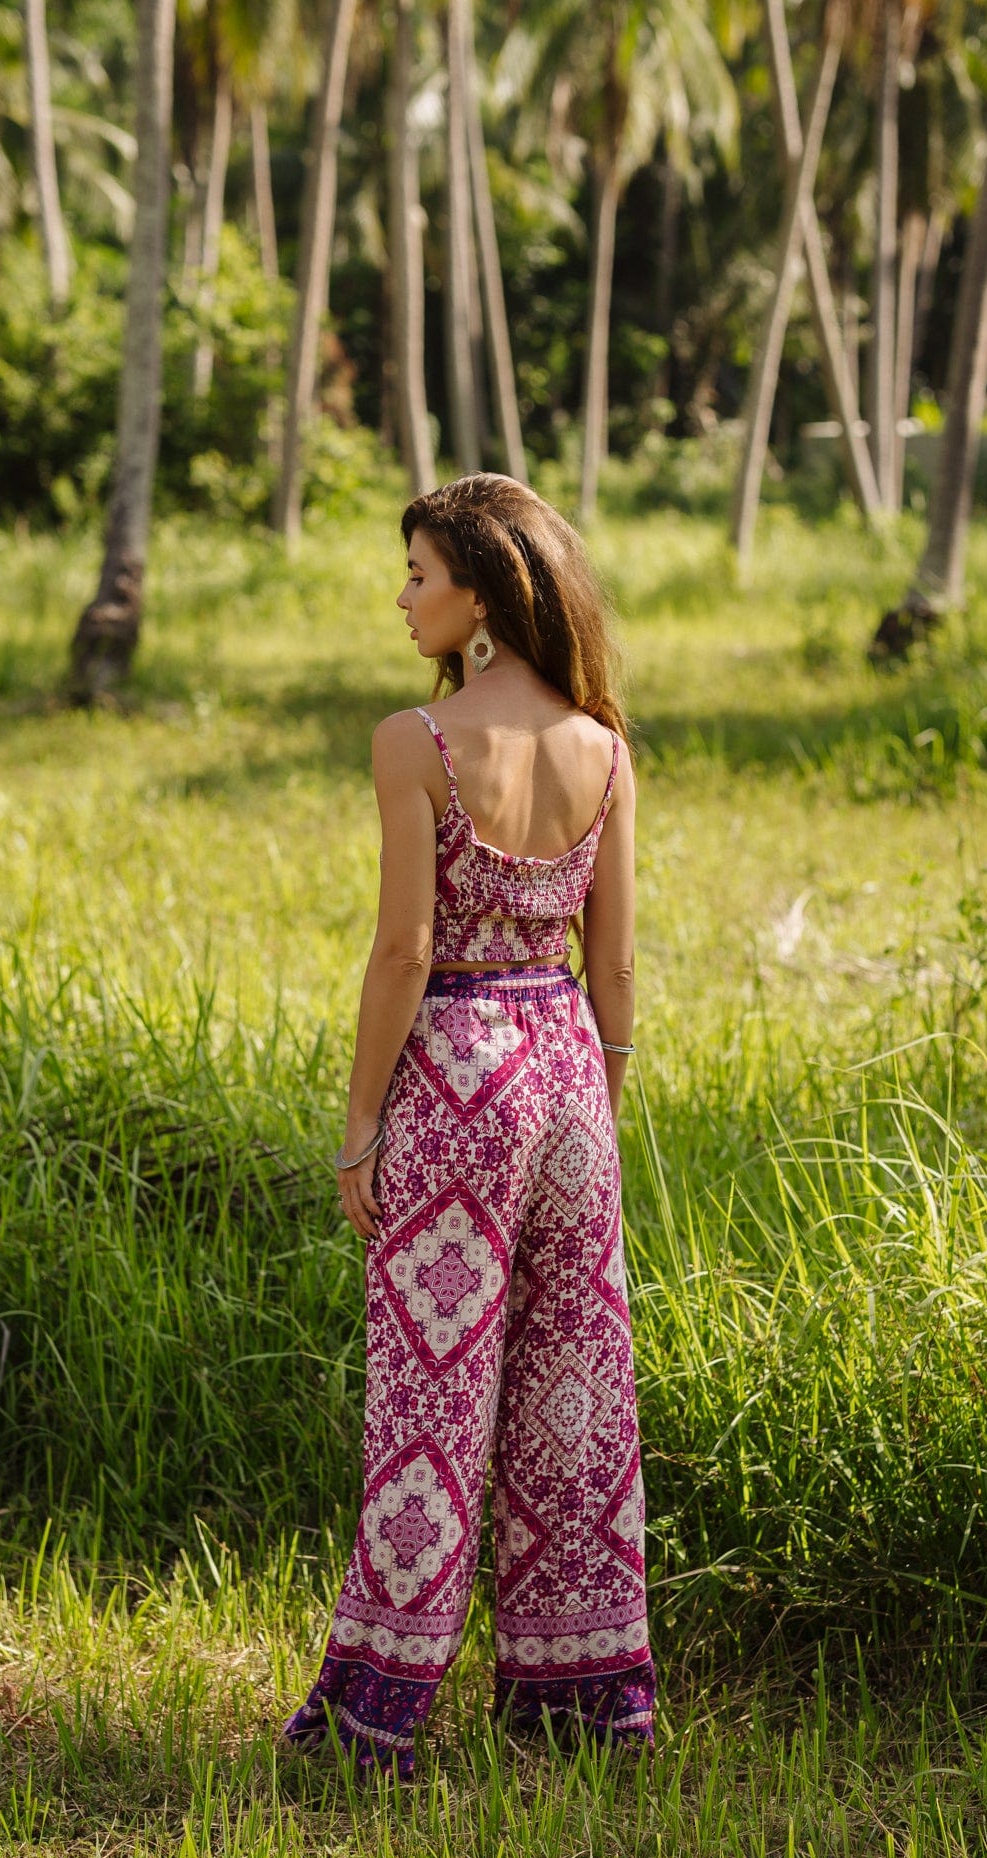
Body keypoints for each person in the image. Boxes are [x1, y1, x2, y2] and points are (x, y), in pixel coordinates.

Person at [283, 474, 655, 1776]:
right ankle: (579, 1701)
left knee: (430, 1412)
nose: (402, 597)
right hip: (565, 1080)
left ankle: (374, 1715)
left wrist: (357, 1125)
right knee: (570, 1402)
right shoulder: (605, 746)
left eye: (418, 576)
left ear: (482, 599)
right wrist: (588, 1114)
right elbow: (613, 972)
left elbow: (402, 950)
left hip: (453, 1076)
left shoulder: (417, 743)